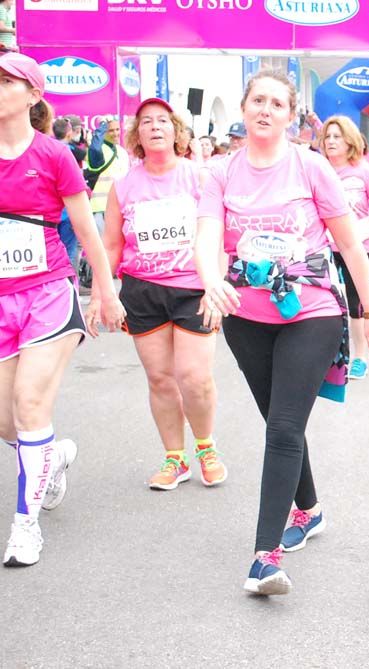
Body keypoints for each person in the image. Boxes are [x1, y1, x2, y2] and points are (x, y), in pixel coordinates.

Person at [194, 70, 369, 595]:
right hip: (245, 315)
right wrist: (211, 282)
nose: (265, 110)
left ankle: (264, 557)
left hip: (311, 310)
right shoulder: (221, 171)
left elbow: (350, 244)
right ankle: (310, 509)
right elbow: (208, 234)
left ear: (291, 114)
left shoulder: (312, 166)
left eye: (277, 103)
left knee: (281, 429)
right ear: (244, 106)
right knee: (283, 423)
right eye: (258, 100)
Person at [0, 52, 124, 566]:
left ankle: (25, 525)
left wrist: (105, 290)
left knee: (30, 403)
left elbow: (87, 227)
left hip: (49, 290)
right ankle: (51, 458)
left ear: (32, 96)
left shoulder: (54, 154)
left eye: (7, 81)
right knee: (8, 423)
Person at [101, 97, 226, 491]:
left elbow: (217, 235)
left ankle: (205, 446)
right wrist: (101, 295)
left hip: (192, 287)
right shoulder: (123, 187)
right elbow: (111, 246)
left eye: (162, 121)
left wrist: (216, 285)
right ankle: (175, 457)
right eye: (146, 122)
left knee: (195, 378)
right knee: (160, 379)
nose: (155, 127)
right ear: (137, 135)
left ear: (176, 131)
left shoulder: (199, 177)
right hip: (143, 290)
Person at [319, 115, 369, 381]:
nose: (332, 141)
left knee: (355, 303)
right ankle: (335, 356)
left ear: (349, 140)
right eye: (328, 137)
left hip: (357, 245)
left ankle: (360, 356)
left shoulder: (363, 170)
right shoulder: (319, 169)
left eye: (337, 136)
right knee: (327, 303)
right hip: (324, 246)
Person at [83, 116, 128, 235]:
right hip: (101, 209)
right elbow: (95, 148)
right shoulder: (98, 150)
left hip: (122, 208)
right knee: (105, 249)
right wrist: (102, 125)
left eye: (117, 129)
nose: (116, 133)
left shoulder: (122, 152)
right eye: (111, 130)